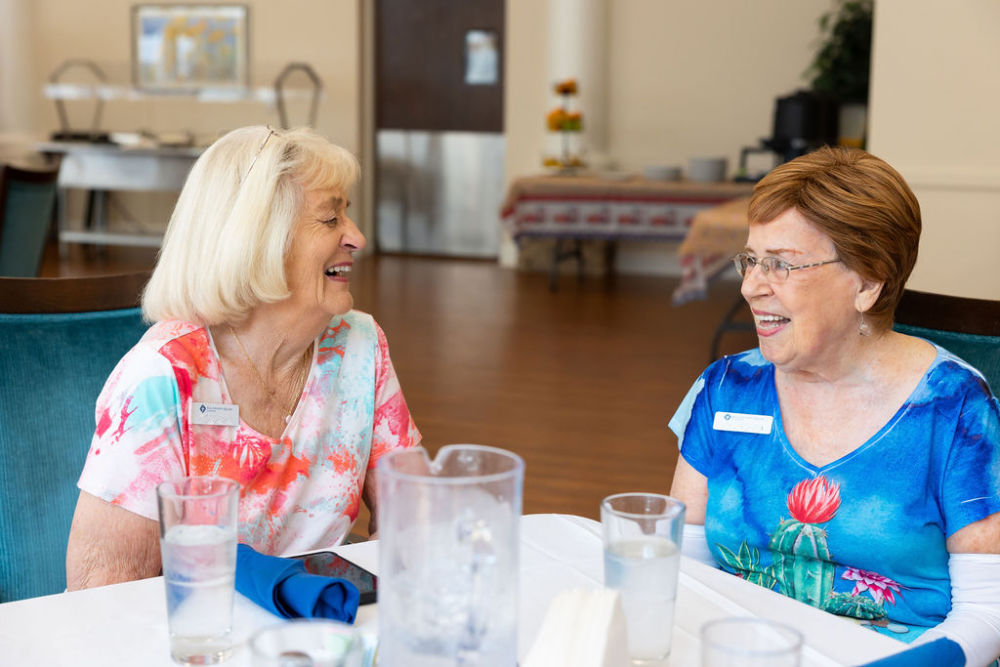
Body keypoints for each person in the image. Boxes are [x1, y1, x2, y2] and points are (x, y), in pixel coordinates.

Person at [668, 147, 1000, 664]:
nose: (751, 286)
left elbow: (987, 612)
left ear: (868, 282)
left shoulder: (956, 411)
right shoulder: (727, 387)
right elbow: (685, 567)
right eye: (751, 260)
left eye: (781, 265)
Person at [66, 126, 420, 590]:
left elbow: (414, 515)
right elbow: (99, 594)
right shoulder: (164, 377)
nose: (357, 237)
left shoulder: (359, 344)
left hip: (321, 631)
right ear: (258, 241)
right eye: (330, 219)